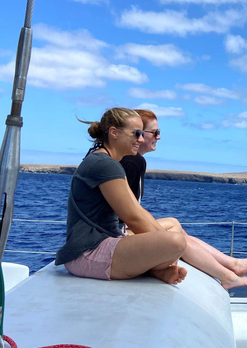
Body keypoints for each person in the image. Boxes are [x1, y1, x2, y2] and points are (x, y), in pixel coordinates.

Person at [120, 109, 247, 287]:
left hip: (124, 227)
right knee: (174, 236)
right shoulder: (132, 162)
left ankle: (233, 265)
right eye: (155, 133)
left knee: (174, 224)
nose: (158, 137)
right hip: (121, 232)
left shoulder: (134, 161)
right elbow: (129, 212)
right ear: (139, 134)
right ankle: (227, 274)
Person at [55, 108, 187, 285]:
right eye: (136, 134)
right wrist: (167, 251)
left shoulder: (110, 162)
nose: (140, 140)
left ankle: (157, 270)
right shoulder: (105, 165)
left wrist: (161, 243)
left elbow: (139, 212)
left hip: (102, 243)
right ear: (114, 132)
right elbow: (132, 218)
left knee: (173, 228)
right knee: (176, 242)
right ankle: (158, 269)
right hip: (87, 253)